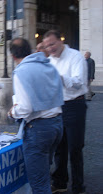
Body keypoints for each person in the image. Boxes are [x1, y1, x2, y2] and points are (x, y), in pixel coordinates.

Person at [8, 38, 64, 194]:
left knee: (39, 183)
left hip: (39, 129)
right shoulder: (48, 65)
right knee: (44, 174)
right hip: (57, 124)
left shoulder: (21, 71)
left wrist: (12, 112)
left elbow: (25, 108)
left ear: (12, 56)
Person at [43, 30, 88, 194]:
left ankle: (78, 187)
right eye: (48, 46)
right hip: (57, 106)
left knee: (75, 148)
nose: (51, 48)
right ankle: (60, 182)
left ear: (60, 41)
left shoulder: (75, 56)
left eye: (53, 44)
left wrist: (60, 77)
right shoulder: (48, 61)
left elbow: (78, 83)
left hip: (75, 105)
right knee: (59, 148)